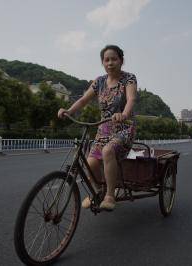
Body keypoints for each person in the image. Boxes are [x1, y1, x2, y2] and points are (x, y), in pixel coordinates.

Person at [58, 45, 137, 211]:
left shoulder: (129, 79)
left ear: (121, 61)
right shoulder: (99, 81)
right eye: (106, 60)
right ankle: (96, 190)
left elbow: (131, 99)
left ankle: (110, 195)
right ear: (103, 63)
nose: (110, 63)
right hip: (104, 129)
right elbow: (83, 100)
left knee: (108, 151)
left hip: (124, 127)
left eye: (114, 59)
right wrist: (69, 110)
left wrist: (123, 114)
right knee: (90, 163)